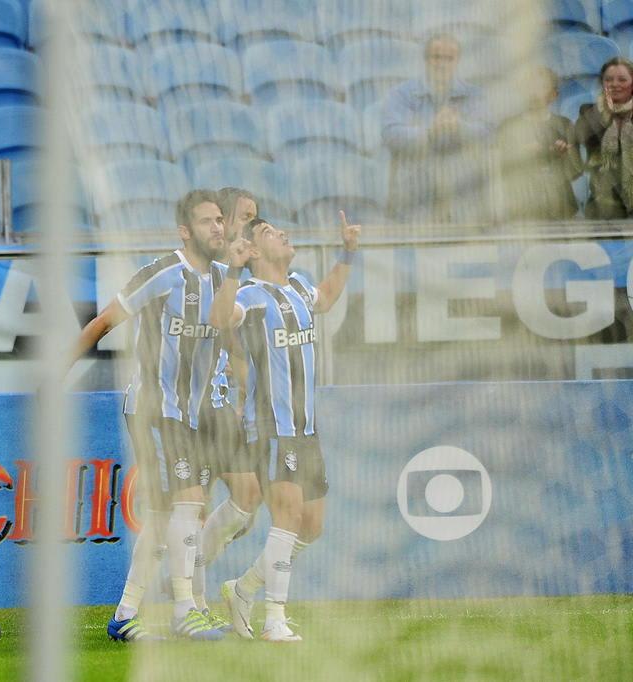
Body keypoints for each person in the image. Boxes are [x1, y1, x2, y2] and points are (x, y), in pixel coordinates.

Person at [71, 189, 230, 642]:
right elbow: (102, 323)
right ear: (185, 230)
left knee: (167, 516)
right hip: (153, 408)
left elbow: (233, 335)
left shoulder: (224, 279)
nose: (217, 228)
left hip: (195, 414)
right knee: (189, 501)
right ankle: (184, 611)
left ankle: (124, 614)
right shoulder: (161, 273)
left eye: (220, 220)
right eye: (206, 221)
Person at [210, 211, 360, 643]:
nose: (284, 235)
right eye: (272, 233)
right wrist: (234, 270)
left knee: (312, 526)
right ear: (255, 250)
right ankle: (274, 618)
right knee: (288, 516)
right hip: (271, 429)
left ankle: (244, 590)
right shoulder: (253, 295)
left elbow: (327, 297)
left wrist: (348, 252)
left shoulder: (297, 286)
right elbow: (221, 319)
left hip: (306, 429)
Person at [191, 187, 262, 618]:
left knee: (247, 498)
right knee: (190, 506)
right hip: (193, 404)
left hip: (221, 403)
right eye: (245, 217)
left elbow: (235, 345)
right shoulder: (207, 271)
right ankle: (192, 600)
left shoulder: (237, 276)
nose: (250, 226)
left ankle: (186, 572)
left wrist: (240, 396)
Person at [382, 33, 493, 225]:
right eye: (436, 57)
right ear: (426, 60)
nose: (442, 64)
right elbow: (391, 135)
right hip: (416, 199)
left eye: (449, 58)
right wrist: (430, 131)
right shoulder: (401, 94)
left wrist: (459, 127)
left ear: (457, 61)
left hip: (463, 201)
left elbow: (489, 134)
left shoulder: (474, 95)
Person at [498, 66, 581, 222]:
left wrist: (564, 157)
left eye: (541, 87)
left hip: (561, 209)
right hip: (522, 211)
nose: (534, 93)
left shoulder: (565, 125)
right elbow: (502, 172)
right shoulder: (508, 127)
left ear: (554, 94)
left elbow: (576, 172)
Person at [575, 56, 633, 220]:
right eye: (609, 80)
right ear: (602, 84)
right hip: (603, 205)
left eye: (622, 79)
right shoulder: (588, 112)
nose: (615, 84)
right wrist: (607, 112)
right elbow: (586, 138)